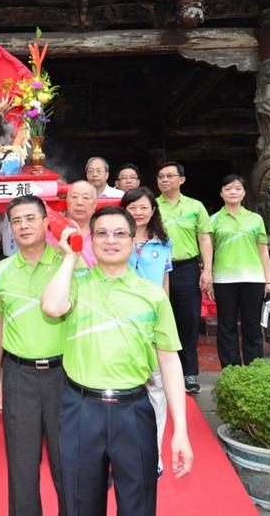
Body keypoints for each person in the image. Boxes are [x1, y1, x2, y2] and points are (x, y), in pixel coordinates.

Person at [41, 206, 193, 516]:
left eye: (120, 233)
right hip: (80, 410)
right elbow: (53, 307)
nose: (111, 240)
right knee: (79, 505)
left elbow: (169, 361)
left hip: (134, 411)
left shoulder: (151, 295)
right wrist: (70, 255)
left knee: (138, 505)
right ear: (91, 239)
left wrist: (181, 431)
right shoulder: (76, 282)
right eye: (102, 233)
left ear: (134, 240)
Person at [0, 195, 66, 516]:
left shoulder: (68, 265)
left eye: (31, 218)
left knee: (67, 460)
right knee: (21, 463)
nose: (23, 225)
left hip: (66, 374)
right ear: (9, 228)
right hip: (19, 375)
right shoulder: (1, 271)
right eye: (16, 220)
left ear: (46, 222)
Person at [121, 186, 172, 477]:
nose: (138, 213)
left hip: (152, 322)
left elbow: (164, 285)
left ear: (153, 211)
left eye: (144, 208)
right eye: (132, 208)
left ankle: (154, 452)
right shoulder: (116, 240)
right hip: (121, 321)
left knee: (156, 387)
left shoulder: (164, 243)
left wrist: (165, 321)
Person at [155, 162, 212, 394]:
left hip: (186, 268)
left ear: (182, 179)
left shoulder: (195, 206)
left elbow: (205, 239)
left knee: (188, 321)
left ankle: (189, 373)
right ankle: (162, 371)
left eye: (170, 176)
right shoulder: (151, 205)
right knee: (159, 319)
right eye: (160, 176)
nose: (164, 180)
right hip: (157, 269)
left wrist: (207, 269)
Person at [208, 175, 270, 364]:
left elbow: (263, 252)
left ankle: (254, 368)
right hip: (223, 280)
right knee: (226, 326)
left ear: (244, 193)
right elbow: (208, 252)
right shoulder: (212, 220)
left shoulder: (255, 219)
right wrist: (209, 279)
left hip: (253, 279)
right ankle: (231, 369)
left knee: (252, 325)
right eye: (228, 188)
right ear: (221, 193)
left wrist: (268, 281)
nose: (233, 192)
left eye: (237, 188)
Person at [64, 180, 98, 269]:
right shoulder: (54, 230)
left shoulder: (103, 232)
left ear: (95, 204)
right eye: (74, 197)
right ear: (67, 200)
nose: (79, 202)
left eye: (86, 198)